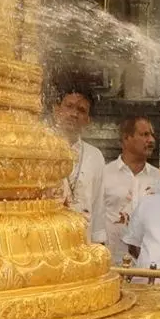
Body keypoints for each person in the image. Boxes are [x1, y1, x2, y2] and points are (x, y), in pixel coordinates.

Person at [103, 116, 160, 265]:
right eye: (144, 135)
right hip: (111, 262)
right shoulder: (105, 174)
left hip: (148, 264)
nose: (151, 140)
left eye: (152, 135)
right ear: (126, 138)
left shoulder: (159, 178)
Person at [52, 87, 106, 245]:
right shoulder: (41, 149)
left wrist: (98, 244)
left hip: (83, 241)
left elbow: (98, 206)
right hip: (49, 239)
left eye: (81, 110)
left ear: (88, 119)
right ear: (56, 110)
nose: (74, 114)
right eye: (69, 106)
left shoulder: (95, 156)